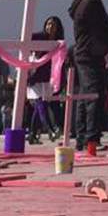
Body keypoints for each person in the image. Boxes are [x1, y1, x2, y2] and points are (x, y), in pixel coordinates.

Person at [68, 0, 108, 149]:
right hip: (91, 53)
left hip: (83, 52)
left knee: (85, 95)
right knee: (94, 95)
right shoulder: (92, 2)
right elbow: (103, 29)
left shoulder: (79, 1)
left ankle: (82, 138)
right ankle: (92, 138)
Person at [27, 15, 65, 143]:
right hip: (36, 75)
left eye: (53, 25)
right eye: (48, 24)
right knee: (40, 103)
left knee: (40, 106)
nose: (50, 27)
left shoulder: (59, 42)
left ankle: (32, 135)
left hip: (49, 77)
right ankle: (50, 129)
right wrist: (33, 51)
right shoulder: (40, 36)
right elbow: (25, 39)